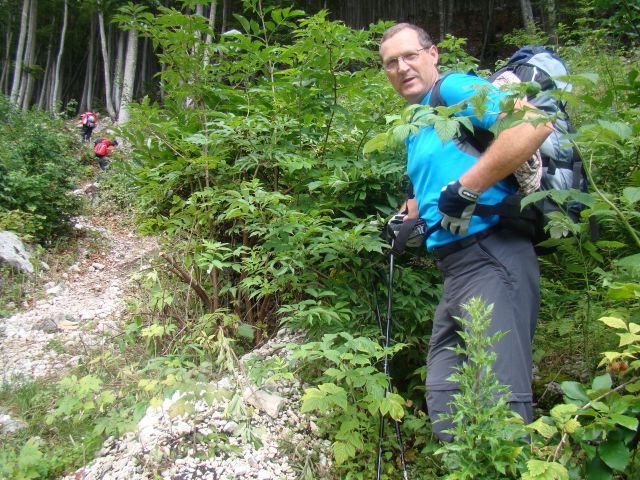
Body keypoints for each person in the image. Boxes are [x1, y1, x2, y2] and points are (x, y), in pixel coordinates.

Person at [379, 23, 552, 442]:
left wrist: (468, 188)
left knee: (503, 402)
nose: (402, 68)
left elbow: (534, 124)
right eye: (390, 63)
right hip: (455, 270)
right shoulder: (420, 120)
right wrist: (407, 218)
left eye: (410, 56)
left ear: (432, 54)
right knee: (445, 397)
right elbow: (434, 183)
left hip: (494, 255)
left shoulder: (454, 89)